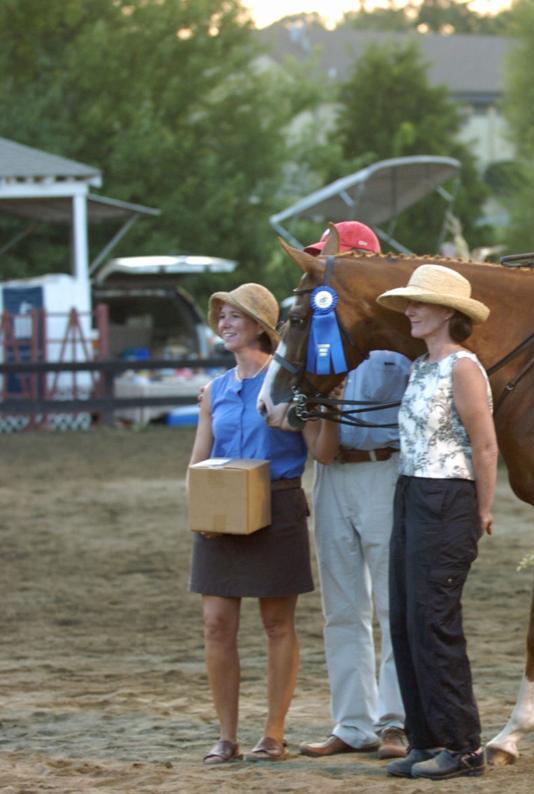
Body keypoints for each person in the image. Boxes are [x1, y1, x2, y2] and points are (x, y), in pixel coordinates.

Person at [294, 222, 413, 761]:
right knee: (341, 606)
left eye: (331, 260)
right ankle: (352, 722)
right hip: (333, 473)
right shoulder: (317, 331)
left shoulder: (398, 334)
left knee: (391, 602)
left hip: (383, 466)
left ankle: (396, 720)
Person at [374, 264, 496, 780]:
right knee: (405, 619)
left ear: (447, 312)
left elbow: (485, 445)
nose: (410, 310)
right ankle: (425, 738)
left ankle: (464, 746)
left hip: (448, 496)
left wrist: (483, 509)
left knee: (434, 620)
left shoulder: (462, 368)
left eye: (419, 302)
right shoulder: (421, 367)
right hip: (411, 491)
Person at [189, 283, 320, 765]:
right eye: (221, 316)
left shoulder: (289, 384)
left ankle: (273, 733)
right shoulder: (214, 391)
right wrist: (201, 510)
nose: (224, 324)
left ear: (260, 326)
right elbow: (198, 459)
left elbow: (317, 448)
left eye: (235, 316)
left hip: (277, 505)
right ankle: (226, 736)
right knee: (215, 625)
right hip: (221, 508)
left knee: (276, 623)